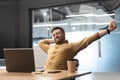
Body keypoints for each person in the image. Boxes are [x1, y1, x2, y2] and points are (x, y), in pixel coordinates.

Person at [38, 21, 116, 70]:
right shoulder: (50, 48)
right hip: (46, 75)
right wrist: (54, 40)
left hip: (59, 77)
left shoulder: (71, 46)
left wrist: (108, 30)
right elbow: (40, 43)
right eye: (53, 35)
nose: (55, 35)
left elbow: (88, 40)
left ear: (64, 34)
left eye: (58, 33)